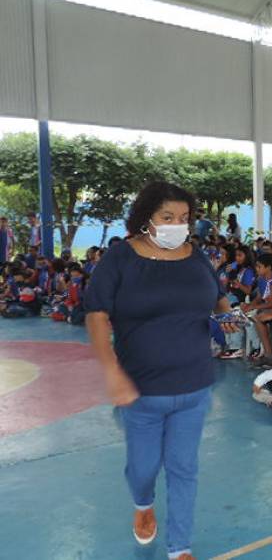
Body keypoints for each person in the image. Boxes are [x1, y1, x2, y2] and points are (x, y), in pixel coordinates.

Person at [84, 181, 236, 560]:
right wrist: (111, 371)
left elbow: (216, 295)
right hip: (141, 389)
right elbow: (97, 315)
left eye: (183, 218)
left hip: (195, 385)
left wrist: (227, 314)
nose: (176, 224)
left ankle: (179, 548)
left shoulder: (196, 256)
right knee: (143, 468)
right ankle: (143, 504)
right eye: (167, 217)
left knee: (184, 469)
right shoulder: (120, 257)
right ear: (146, 218)